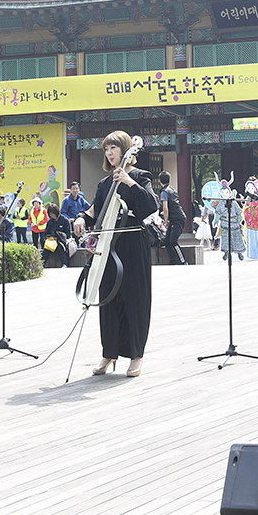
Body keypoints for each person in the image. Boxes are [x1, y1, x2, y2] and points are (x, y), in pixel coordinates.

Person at [76, 131, 156, 377]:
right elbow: (94, 210)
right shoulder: (104, 183)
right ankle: (108, 353)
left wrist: (129, 182)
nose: (109, 153)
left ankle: (136, 355)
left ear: (125, 150)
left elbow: (150, 205)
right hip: (108, 246)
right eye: (106, 149)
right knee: (108, 301)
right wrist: (80, 217)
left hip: (132, 244)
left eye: (113, 148)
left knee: (135, 299)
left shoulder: (141, 177)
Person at [158, 172, 187, 265]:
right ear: (169, 180)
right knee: (166, 241)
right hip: (178, 217)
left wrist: (166, 221)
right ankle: (172, 261)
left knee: (173, 241)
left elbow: (165, 208)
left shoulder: (164, 192)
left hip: (177, 219)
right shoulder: (172, 190)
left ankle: (183, 261)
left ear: (159, 181)